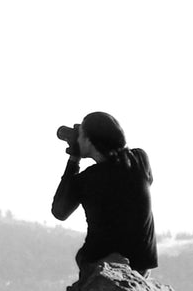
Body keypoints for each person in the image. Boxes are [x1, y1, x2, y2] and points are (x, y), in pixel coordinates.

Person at [51, 111, 157, 276]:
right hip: (142, 265)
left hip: (103, 265)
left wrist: (73, 159)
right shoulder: (140, 159)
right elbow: (141, 183)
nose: (78, 139)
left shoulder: (87, 180)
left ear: (89, 141)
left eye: (81, 136)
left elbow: (59, 212)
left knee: (83, 256)